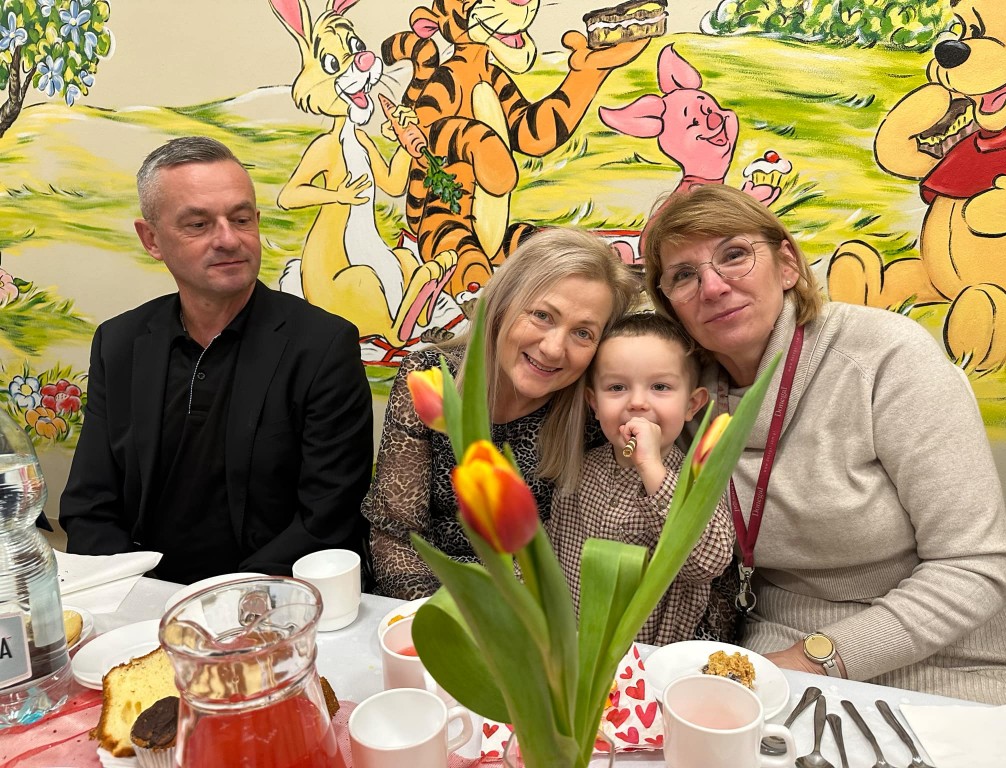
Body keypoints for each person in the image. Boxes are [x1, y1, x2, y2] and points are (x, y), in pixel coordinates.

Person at [642, 182, 1006, 704]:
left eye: (734, 255)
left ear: (787, 265)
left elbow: (974, 565)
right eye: (683, 275)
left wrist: (811, 659)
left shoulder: (885, 356)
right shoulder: (681, 397)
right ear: (670, 305)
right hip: (775, 644)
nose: (712, 287)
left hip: (954, 660)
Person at [60, 136, 374, 584]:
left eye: (241, 219)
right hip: (141, 597)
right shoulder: (120, 342)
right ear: (151, 239)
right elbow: (89, 505)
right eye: (199, 224)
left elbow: (327, 519)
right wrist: (130, 595)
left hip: (270, 598)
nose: (228, 240)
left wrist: (220, 603)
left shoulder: (323, 346)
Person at [363, 227, 638, 599]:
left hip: (528, 611)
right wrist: (434, 614)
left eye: (583, 333)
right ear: (503, 305)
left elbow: (575, 555)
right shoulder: (430, 378)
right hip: (427, 601)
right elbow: (395, 533)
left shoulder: (592, 416)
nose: (554, 348)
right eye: (542, 315)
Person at [548, 312, 733, 645]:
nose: (636, 403)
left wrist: (651, 467)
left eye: (660, 387)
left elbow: (708, 563)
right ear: (594, 403)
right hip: (575, 645)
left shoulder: (696, 480)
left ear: (692, 405)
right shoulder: (579, 469)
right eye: (616, 387)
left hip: (654, 655)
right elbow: (553, 548)